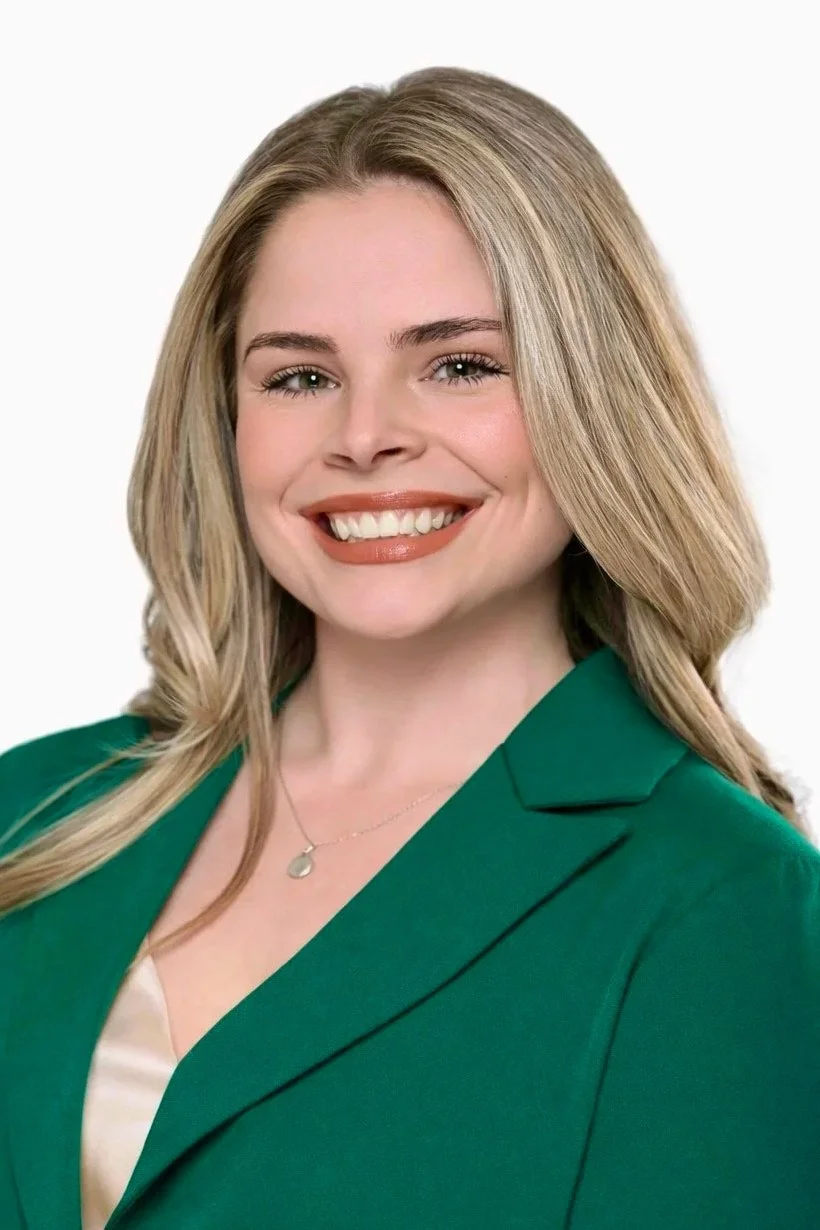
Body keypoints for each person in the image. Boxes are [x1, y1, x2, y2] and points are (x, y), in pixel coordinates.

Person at [1, 65, 818, 1230]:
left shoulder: (716, 903)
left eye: (461, 365)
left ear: (596, 396)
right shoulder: (32, 814)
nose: (367, 435)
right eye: (301, 376)